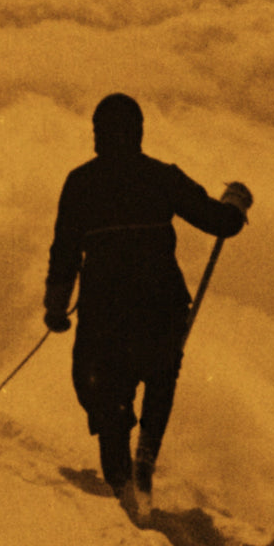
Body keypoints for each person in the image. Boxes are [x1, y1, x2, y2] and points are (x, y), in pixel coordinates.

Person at [44, 94, 252, 521]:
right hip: (161, 306)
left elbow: (64, 251)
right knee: (160, 376)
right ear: (139, 132)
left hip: (105, 312)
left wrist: (56, 308)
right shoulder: (160, 177)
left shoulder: (80, 182)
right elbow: (219, 223)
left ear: (98, 134)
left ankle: (122, 477)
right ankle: (145, 460)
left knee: (101, 390)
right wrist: (235, 200)